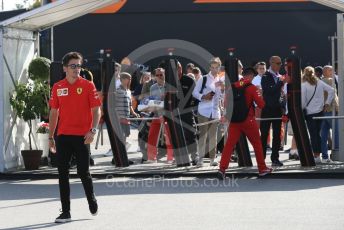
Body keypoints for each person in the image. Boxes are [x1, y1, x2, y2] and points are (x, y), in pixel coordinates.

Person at [49, 52, 101, 223]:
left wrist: (92, 131)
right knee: (62, 173)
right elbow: (54, 112)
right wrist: (51, 136)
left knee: (83, 172)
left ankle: (91, 200)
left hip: (82, 136)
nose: (77, 69)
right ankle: (66, 212)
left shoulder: (87, 85)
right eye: (73, 66)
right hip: (63, 136)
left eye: (79, 66)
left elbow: (96, 110)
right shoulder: (57, 87)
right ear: (64, 68)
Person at [218, 67, 272, 179]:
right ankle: (262, 169)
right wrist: (260, 94)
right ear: (251, 76)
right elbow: (261, 104)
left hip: (234, 121)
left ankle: (222, 169)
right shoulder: (252, 87)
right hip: (248, 120)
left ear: (243, 75)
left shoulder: (231, 87)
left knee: (229, 145)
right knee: (257, 145)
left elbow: (225, 104)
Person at [192, 57, 224, 167]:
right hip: (203, 110)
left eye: (216, 67)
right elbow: (194, 93)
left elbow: (222, 96)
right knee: (203, 135)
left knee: (213, 136)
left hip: (215, 111)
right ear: (210, 67)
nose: (214, 69)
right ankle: (200, 159)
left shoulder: (221, 80)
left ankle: (212, 159)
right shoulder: (203, 78)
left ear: (219, 67)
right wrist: (203, 96)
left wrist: (223, 89)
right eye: (212, 67)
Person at [302, 66, 334, 164]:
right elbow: (332, 90)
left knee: (313, 134)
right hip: (320, 112)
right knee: (322, 134)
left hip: (309, 114)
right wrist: (327, 103)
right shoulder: (319, 82)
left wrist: (303, 109)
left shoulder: (303, 85)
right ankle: (324, 156)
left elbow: (303, 102)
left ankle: (316, 156)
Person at [260, 56, 287, 166]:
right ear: (271, 63)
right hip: (267, 110)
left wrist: (284, 108)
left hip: (277, 110)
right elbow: (269, 90)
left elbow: (282, 94)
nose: (280, 65)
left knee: (277, 135)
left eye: (281, 63)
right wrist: (280, 83)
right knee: (264, 135)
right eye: (278, 63)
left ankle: (275, 158)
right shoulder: (265, 76)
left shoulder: (279, 76)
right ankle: (261, 159)